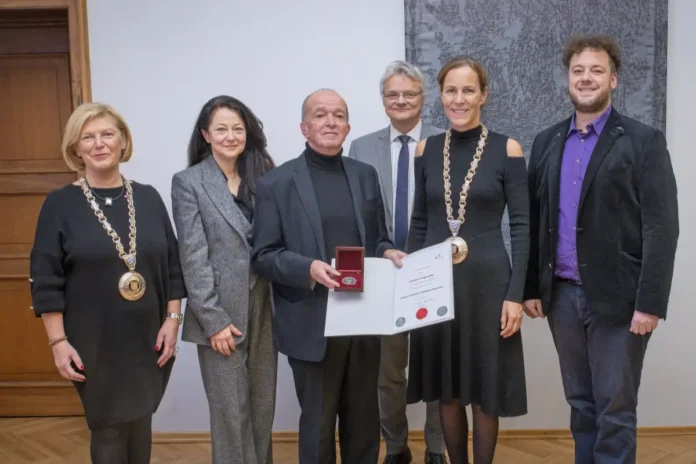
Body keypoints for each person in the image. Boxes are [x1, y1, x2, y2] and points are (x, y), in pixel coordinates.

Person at [523, 35, 679, 464]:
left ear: (613, 78)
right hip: (563, 297)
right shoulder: (547, 141)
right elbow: (536, 221)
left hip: (620, 300)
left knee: (615, 410)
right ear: (568, 79)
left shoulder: (643, 141)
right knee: (581, 404)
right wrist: (531, 287)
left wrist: (650, 303)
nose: (586, 78)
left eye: (596, 70)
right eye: (578, 70)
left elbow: (662, 228)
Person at [251, 88, 405, 463]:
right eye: (320, 115)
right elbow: (264, 256)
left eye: (338, 115)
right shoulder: (276, 184)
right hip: (311, 321)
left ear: (348, 126)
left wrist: (388, 251)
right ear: (305, 126)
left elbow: (379, 237)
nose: (330, 121)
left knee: (364, 423)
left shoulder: (365, 176)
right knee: (318, 427)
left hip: (363, 320)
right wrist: (308, 268)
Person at [29, 102, 186, 463]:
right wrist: (58, 341)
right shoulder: (60, 204)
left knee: (141, 421)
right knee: (110, 426)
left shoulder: (147, 197)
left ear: (122, 141)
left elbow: (173, 265)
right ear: (76, 147)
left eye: (107, 134)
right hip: (93, 339)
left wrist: (172, 320)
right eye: (88, 137)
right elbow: (46, 278)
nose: (99, 144)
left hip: (149, 334)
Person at [405, 56, 530, 464]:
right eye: (451, 91)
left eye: (468, 90)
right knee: (449, 387)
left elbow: (522, 227)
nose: (459, 99)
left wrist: (515, 296)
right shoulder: (426, 148)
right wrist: (408, 287)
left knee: (485, 389)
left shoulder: (506, 148)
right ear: (440, 96)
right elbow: (420, 222)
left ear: (484, 94)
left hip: (490, 287)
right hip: (435, 283)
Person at [347, 60, 446, 464]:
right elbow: (355, 215)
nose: (401, 100)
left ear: (423, 99)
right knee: (389, 374)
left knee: (439, 368)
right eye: (393, 94)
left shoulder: (446, 141)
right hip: (383, 274)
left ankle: (437, 448)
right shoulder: (362, 148)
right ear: (383, 100)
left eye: (409, 93)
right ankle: (398, 446)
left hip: (436, 271)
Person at [171, 95, 277, 464]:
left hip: (265, 304)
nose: (231, 136)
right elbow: (193, 255)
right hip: (220, 313)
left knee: (262, 406)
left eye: (237, 128)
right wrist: (213, 321)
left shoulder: (264, 173)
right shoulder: (189, 182)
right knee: (232, 414)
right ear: (206, 134)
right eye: (221, 129)